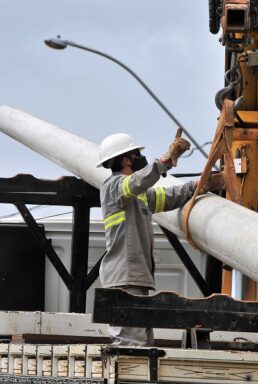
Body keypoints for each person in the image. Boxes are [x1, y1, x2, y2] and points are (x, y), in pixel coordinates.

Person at [96, 132, 196, 346]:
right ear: (126, 159)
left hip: (134, 277)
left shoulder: (136, 196)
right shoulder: (113, 187)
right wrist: (163, 163)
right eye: (137, 154)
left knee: (143, 343)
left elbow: (166, 198)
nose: (141, 157)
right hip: (124, 278)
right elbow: (136, 183)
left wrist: (196, 187)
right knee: (132, 346)